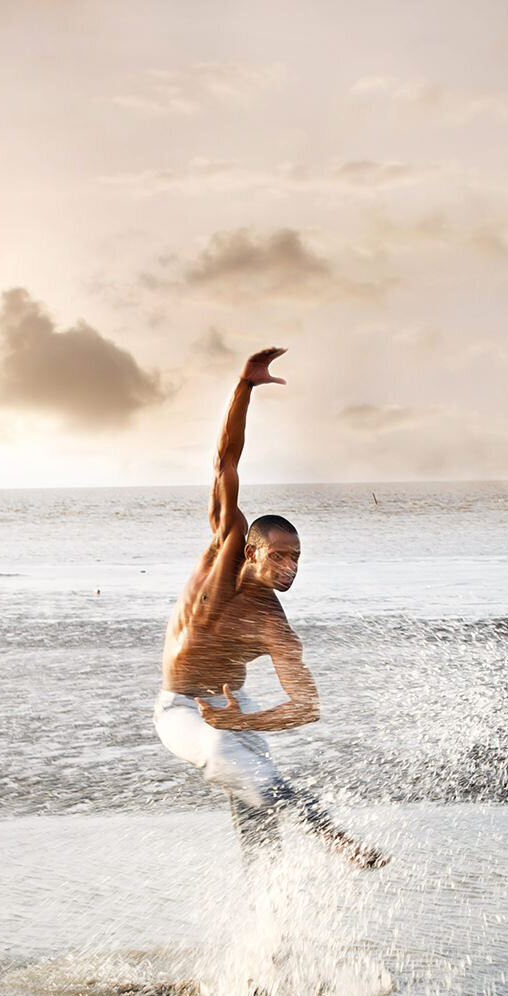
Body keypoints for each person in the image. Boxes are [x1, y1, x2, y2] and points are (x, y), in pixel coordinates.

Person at [154, 346, 385, 874]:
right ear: (252, 551)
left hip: (233, 706)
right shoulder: (225, 548)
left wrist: (247, 719)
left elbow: (306, 706)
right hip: (181, 709)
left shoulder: (274, 623)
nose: (289, 567)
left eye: (296, 558)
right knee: (242, 769)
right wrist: (245, 386)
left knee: (259, 801)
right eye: (279, 555)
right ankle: (340, 842)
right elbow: (225, 461)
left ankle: (268, 923)